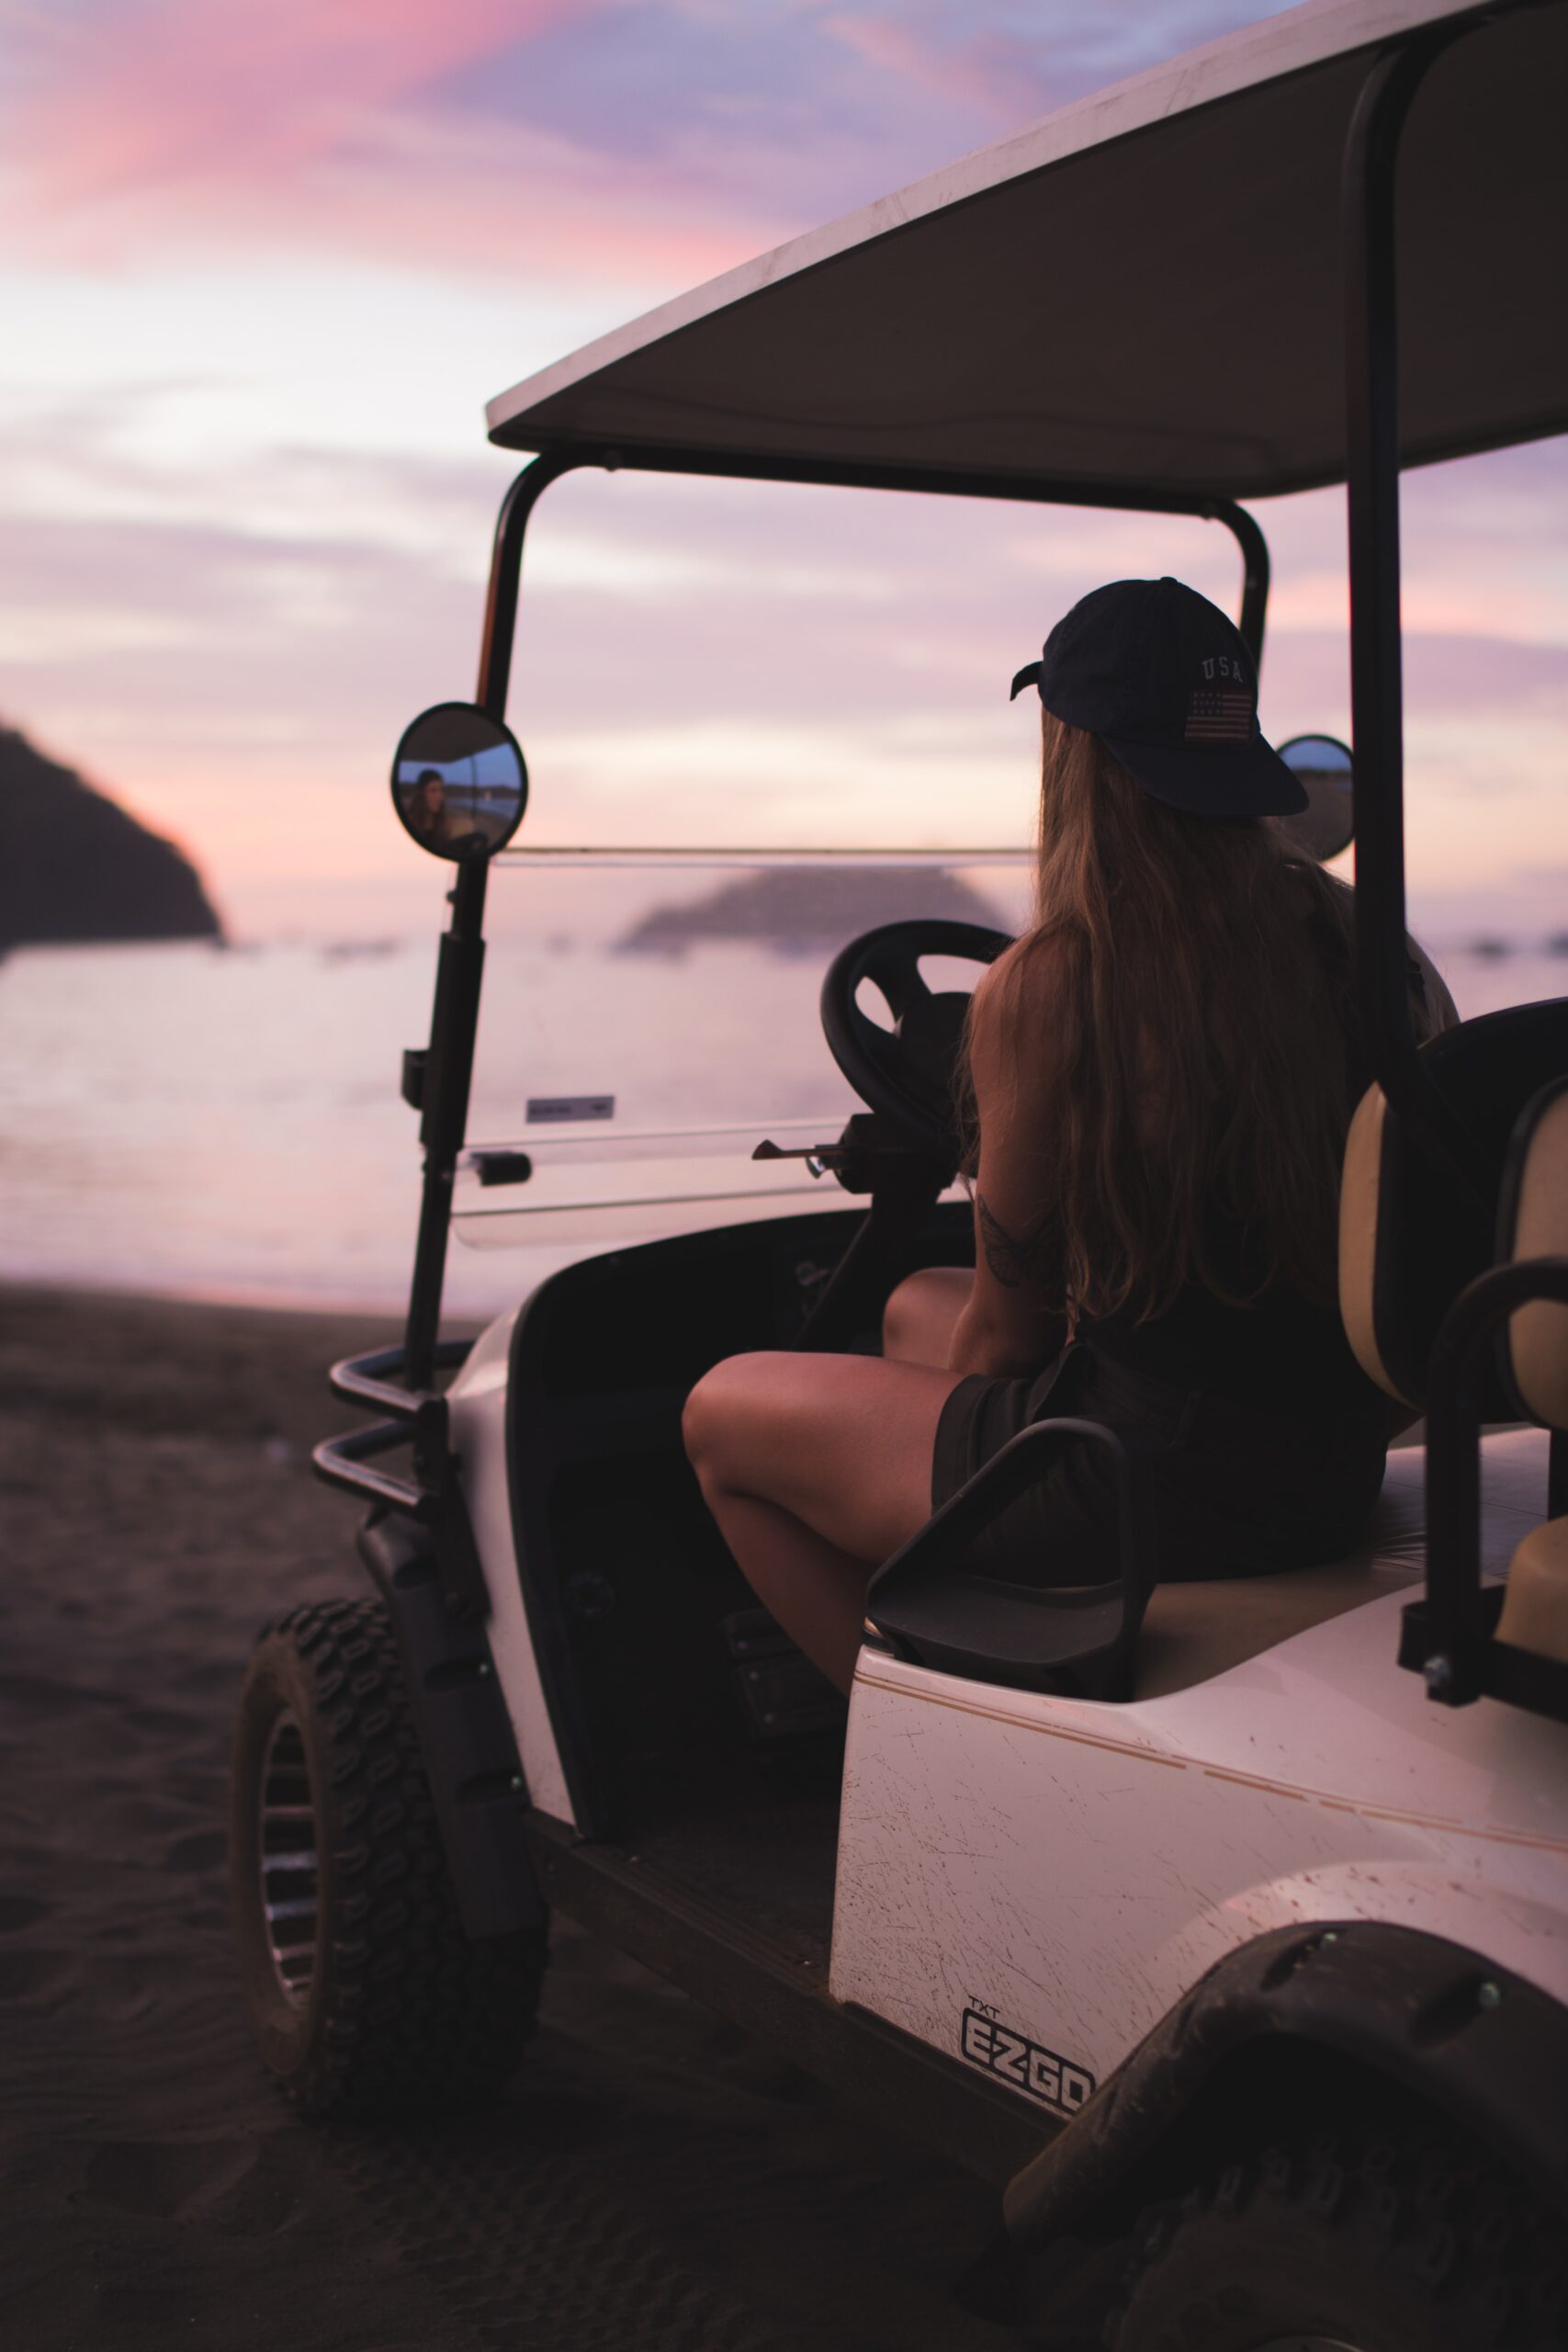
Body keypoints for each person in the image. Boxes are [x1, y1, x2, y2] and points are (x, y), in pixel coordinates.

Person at [682, 576, 1454, 1695]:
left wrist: (947, 1430)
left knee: (724, 1415)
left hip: (1148, 1480)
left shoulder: (1053, 988)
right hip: (1325, 1464)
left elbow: (1007, 1342)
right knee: (908, 1309)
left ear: (1075, 755)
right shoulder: (1356, 944)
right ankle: (995, 1633)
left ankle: (908, 1757)